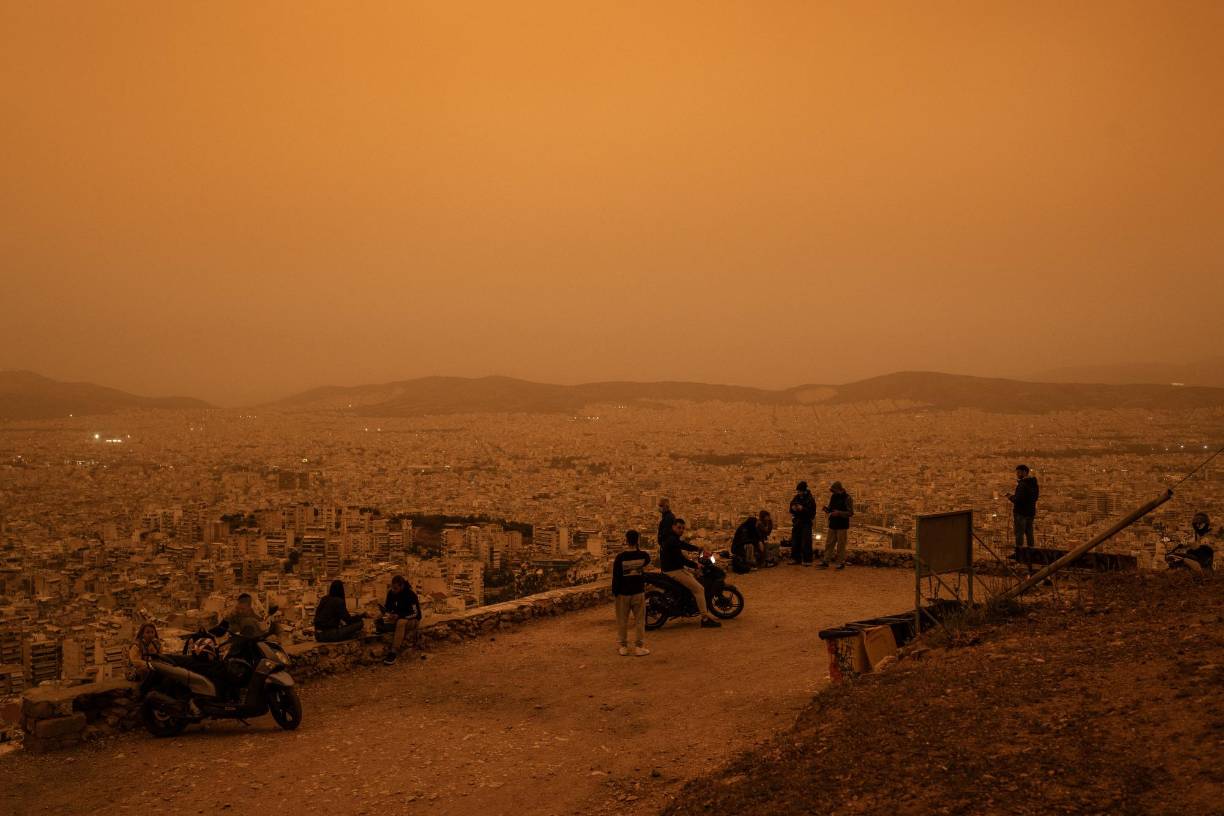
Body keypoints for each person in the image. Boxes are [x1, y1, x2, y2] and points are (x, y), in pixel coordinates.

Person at [659, 518, 721, 628]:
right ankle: (705, 619)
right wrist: (695, 565)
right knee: (699, 589)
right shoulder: (672, 540)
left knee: (694, 577)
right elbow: (680, 559)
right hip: (674, 571)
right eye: (679, 527)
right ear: (673, 527)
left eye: (683, 528)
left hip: (672, 569)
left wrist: (698, 549)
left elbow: (683, 545)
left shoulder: (671, 538)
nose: (681, 530)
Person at [611, 530, 651, 656]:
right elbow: (648, 559)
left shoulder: (620, 557)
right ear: (637, 540)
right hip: (638, 591)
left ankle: (623, 647)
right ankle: (639, 647)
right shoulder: (642, 556)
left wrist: (615, 592)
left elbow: (616, 576)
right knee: (639, 620)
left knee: (622, 620)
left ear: (626, 540)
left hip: (623, 593)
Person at [377, 575, 422, 664]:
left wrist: (399, 616)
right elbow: (388, 607)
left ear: (402, 586)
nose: (393, 590)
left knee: (401, 622)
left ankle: (394, 651)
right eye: (392, 588)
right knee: (378, 619)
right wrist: (387, 613)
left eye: (396, 588)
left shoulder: (410, 595)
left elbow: (416, 614)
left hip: (412, 619)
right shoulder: (391, 593)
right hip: (397, 618)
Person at [1007, 464, 1040, 557]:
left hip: (1020, 512)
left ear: (1024, 472)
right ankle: (1031, 551)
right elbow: (1035, 497)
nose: (1017, 474)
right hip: (1031, 512)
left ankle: (1019, 553)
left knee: (1019, 533)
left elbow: (1018, 499)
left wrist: (1010, 497)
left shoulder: (1022, 484)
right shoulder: (1034, 483)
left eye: (1018, 472)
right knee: (1029, 533)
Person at [819, 482, 854, 570]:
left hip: (842, 525)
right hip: (833, 523)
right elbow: (831, 508)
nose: (833, 492)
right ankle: (826, 561)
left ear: (838, 489)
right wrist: (827, 509)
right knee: (829, 544)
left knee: (841, 545)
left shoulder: (847, 498)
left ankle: (840, 563)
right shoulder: (834, 497)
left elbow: (850, 513)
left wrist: (838, 513)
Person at [789, 481, 817, 565]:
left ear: (804, 490)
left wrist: (802, 509)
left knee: (806, 541)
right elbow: (791, 507)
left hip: (806, 522)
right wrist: (793, 508)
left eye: (800, 491)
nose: (799, 493)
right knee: (795, 541)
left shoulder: (810, 499)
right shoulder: (796, 497)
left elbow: (812, 513)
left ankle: (807, 560)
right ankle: (795, 558)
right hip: (797, 522)